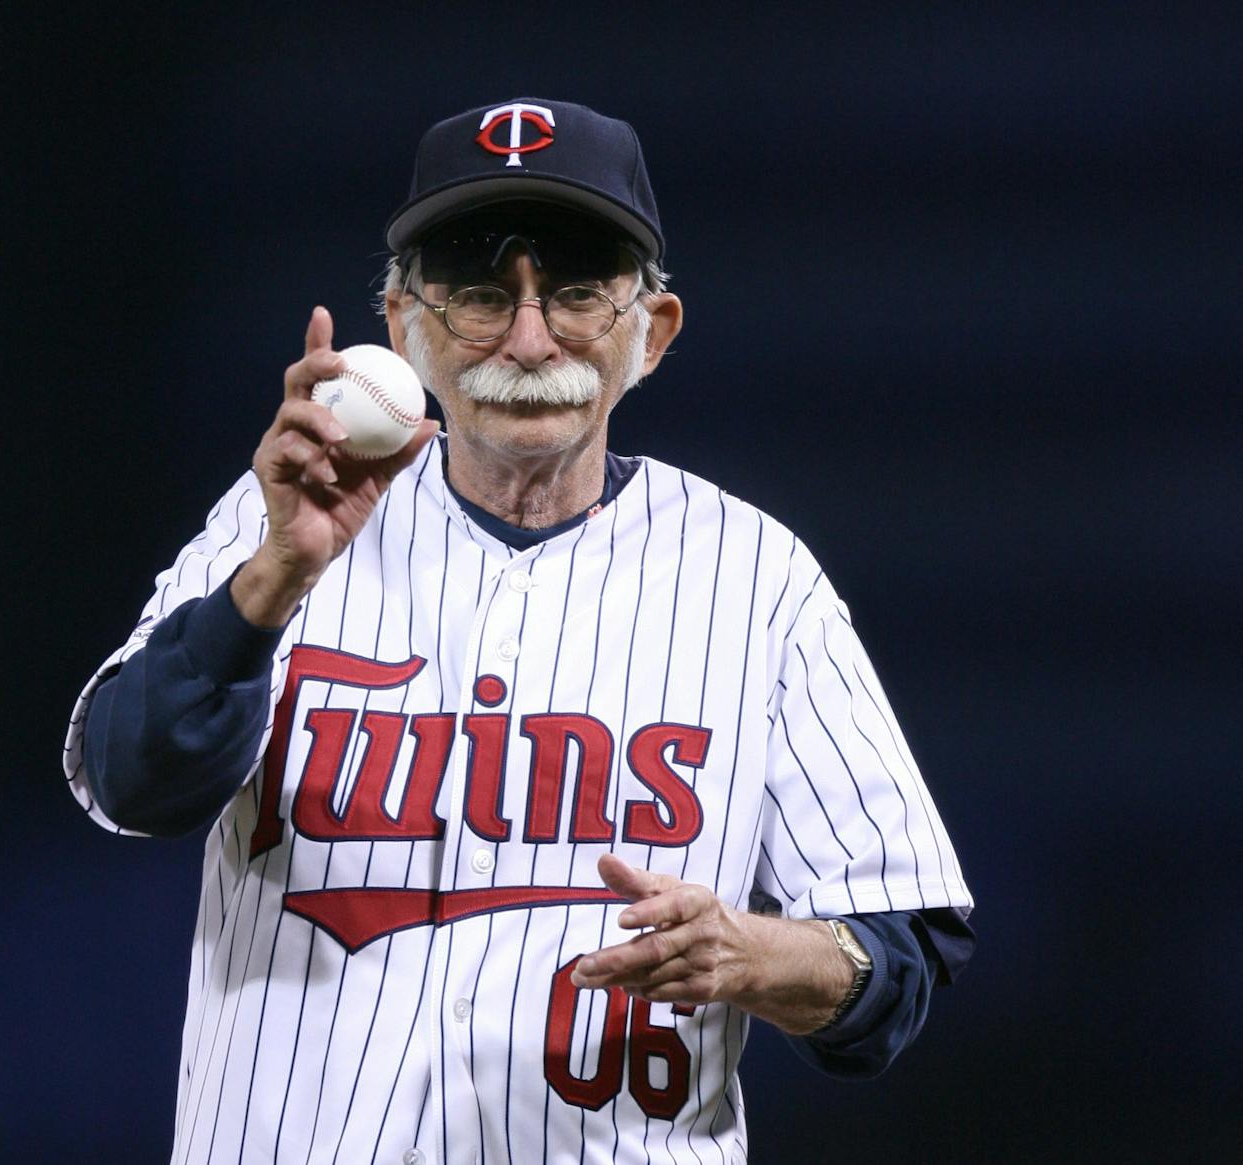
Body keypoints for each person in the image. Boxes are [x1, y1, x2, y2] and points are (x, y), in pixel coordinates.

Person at [65, 98, 975, 1164]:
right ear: (401, 328)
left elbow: (898, 956)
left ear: (653, 332)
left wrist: (753, 952)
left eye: (578, 290)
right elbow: (127, 783)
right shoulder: (274, 521)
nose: (530, 337)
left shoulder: (755, 575)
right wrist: (274, 575)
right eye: (477, 294)